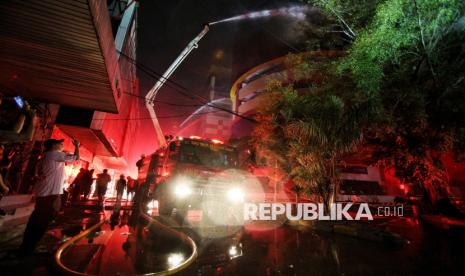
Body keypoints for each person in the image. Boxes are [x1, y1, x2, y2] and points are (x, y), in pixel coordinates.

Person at [19, 138, 80, 255]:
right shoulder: (54, 154)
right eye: (59, 143)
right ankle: (28, 249)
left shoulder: (47, 156)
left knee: (37, 219)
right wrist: (77, 146)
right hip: (49, 194)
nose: (62, 144)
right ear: (53, 146)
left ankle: (27, 246)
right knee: (41, 221)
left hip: (45, 193)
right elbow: (75, 158)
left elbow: (38, 174)